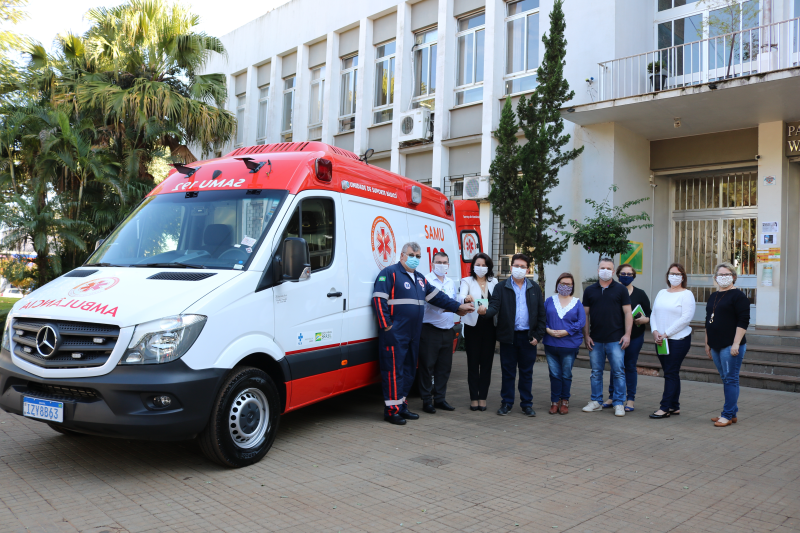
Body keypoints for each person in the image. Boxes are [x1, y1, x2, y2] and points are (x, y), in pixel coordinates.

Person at [373, 242, 474, 425]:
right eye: (412, 255)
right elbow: (379, 301)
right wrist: (387, 327)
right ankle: (392, 410)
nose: (415, 259)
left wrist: (458, 307)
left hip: (414, 334)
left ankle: (402, 406)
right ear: (402, 255)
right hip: (396, 334)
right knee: (394, 372)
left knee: (410, 371)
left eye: (418, 256)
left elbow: (439, 297)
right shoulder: (390, 273)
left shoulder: (420, 279)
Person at [481, 253, 546, 417]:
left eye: (523, 267)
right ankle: (507, 403)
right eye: (516, 266)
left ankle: (526, 404)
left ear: (528, 269)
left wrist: (538, 336)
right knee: (508, 372)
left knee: (526, 373)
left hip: (528, 338)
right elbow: (494, 307)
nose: (519, 269)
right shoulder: (501, 287)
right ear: (511, 267)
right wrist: (484, 312)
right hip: (508, 337)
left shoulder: (534, 288)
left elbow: (541, 314)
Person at [581, 257, 633, 417]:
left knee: (618, 372)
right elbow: (585, 315)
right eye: (602, 268)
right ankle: (596, 401)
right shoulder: (589, 290)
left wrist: (627, 335)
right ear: (598, 270)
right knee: (596, 372)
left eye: (609, 268)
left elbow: (627, 313)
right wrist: (586, 335)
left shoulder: (621, 290)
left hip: (615, 340)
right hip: (595, 339)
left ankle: (618, 403)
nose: (605, 270)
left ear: (613, 271)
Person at [704, 262, 750, 427]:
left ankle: (727, 415)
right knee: (725, 378)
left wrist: (736, 343)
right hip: (715, 344)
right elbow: (708, 320)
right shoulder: (714, 296)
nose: (723, 277)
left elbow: (743, 321)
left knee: (731, 379)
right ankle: (732, 412)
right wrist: (707, 342)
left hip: (731, 345)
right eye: (720, 275)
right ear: (715, 278)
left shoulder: (739, 296)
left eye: (726, 274)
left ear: (733, 277)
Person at [648, 263, 696, 419]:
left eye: (677, 273)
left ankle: (665, 407)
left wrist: (666, 333)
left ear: (683, 277)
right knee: (671, 373)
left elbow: (686, 318)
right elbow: (653, 313)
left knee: (670, 372)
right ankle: (674, 406)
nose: (674, 276)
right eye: (671, 273)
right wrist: (655, 331)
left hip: (677, 339)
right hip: (661, 340)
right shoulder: (662, 292)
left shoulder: (686, 294)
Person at [602, 264, 651, 412]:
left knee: (629, 366)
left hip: (635, 336)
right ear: (617, 275)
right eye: (623, 273)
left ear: (634, 276)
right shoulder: (611, 291)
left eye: (629, 274)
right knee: (615, 366)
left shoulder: (640, 294)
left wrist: (644, 320)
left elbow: (650, 315)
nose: (626, 276)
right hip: (615, 336)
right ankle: (613, 396)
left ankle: (630, 399)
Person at [419, 250, 461, 414]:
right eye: (439, 262)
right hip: (430, 330)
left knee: (444, 368)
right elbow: (429, 304)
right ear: (432, 264)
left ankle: (440, 399)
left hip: (447, 330)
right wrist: (451, 306)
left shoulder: (450, 282)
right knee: (427, 367)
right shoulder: (426, 281)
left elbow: (454, 301)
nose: (442, 265)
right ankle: (427, 401)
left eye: (445, 263)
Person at [459, 253, 499, 411]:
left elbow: (497, 301)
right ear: (473, 266)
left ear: (488, 267)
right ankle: (473, 398)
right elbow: (460, 296)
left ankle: (483, 397)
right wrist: (466, 298)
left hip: (490, 327)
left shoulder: (494, 282)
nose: (480, 268)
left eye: (484, 265)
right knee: (473, 363)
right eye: (478, 264)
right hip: (472, 326)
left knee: (487, 364)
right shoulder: (467, 281)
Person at [543, 273, 585, 415]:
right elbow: (542, 318)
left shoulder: (577, 303)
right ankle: (555, 401)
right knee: (554, 374)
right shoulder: (549, 301)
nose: (565, 286)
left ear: (572, 286)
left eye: (568, 284)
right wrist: (547, 330)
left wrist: (567, 331)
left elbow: (581, 322)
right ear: (557, 284)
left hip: (569, 345)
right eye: (562, 283)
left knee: (566, 374)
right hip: (551, 344)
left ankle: (565, 401)